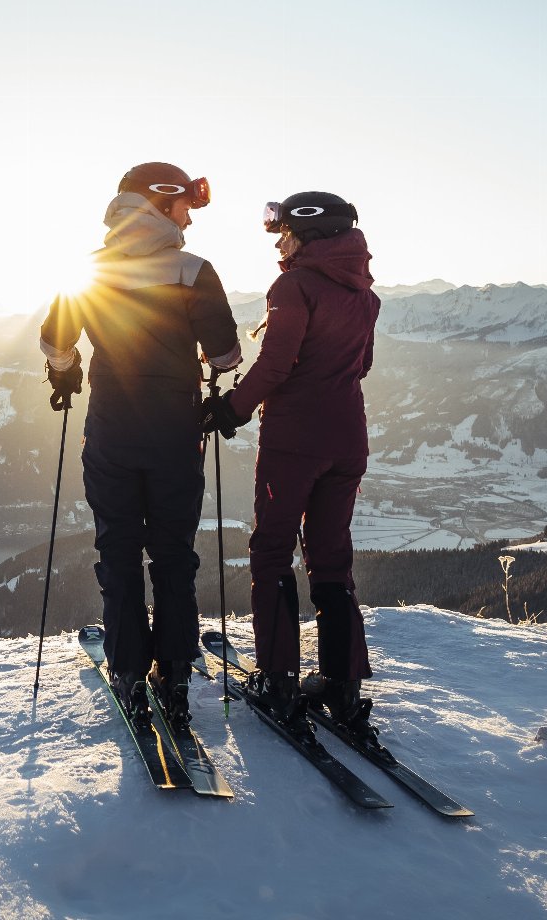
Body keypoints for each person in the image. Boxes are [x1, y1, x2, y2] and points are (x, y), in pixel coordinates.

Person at [41, 162, 241, 729]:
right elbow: (226, 356)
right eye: (185, 209)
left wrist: (66, 370)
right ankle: (175, 670)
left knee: (119, 551)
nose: (189, 220)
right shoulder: (193, 270)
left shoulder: (89, 270)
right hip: (176, 434)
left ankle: (129, 669)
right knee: (175, 553)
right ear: (161, 203)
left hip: (111, 432)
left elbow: (55, 342)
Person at [205, 191, 381, 728]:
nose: (280, 241)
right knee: (332, 560)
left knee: (273, 551)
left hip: (294, 443)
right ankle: (344, 685)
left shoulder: (294, 285)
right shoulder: (365, 294)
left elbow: (276, 365)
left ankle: (278, 678)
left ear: (309, 231)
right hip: (347, 438)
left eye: (284, 231)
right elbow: (363, 365)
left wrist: (230, 409)